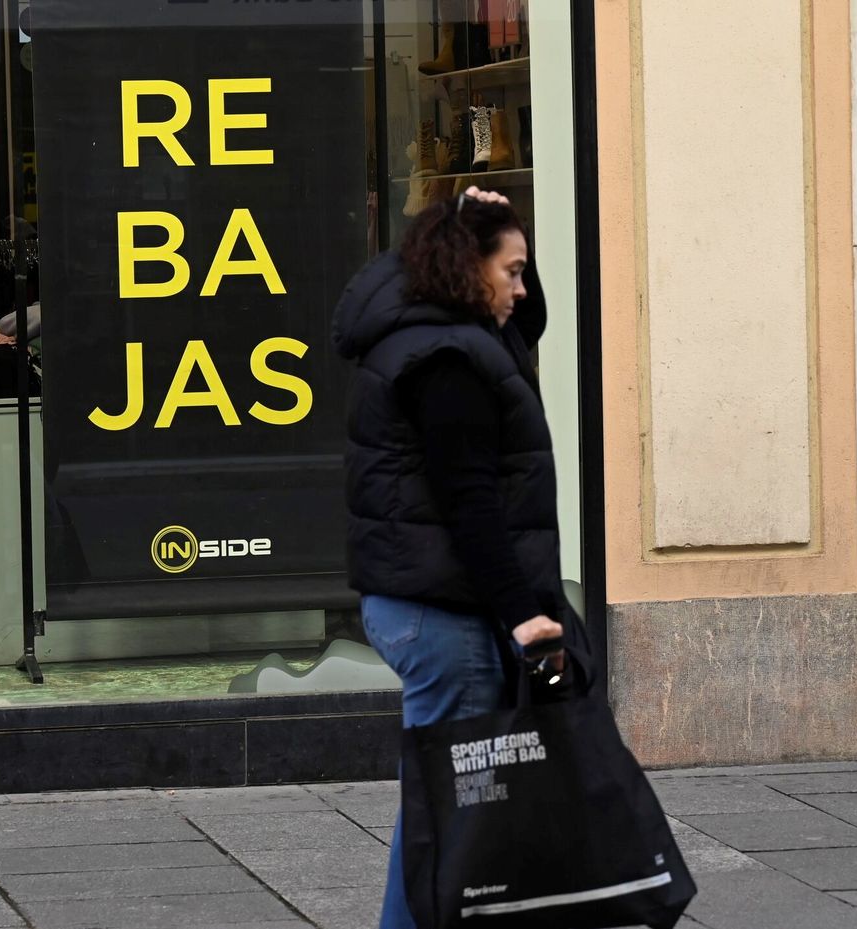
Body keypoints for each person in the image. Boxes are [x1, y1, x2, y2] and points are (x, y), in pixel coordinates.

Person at [331, 187, 573, 928]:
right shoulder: (449, 360)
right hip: (448, 615)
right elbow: (470, 502)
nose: (522, 288)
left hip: (424, 602)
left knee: (449, 806)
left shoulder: (433, 333)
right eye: (514, 271)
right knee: (453, 815)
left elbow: (522, 327)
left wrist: (471, 221)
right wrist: (524, 614)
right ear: (470, 272)